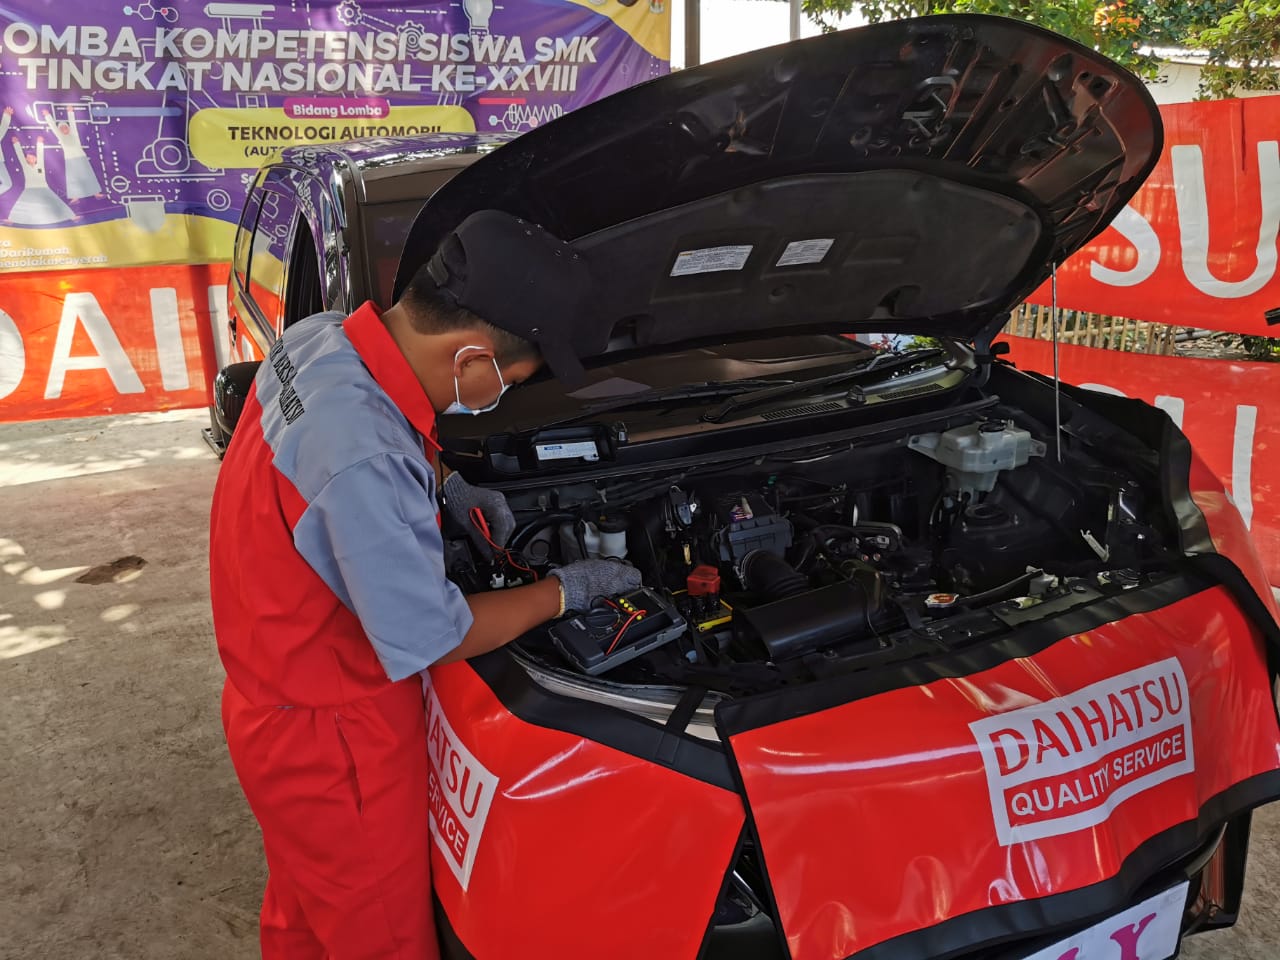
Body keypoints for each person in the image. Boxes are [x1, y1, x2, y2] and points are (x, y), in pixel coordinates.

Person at [208, 210, 641, 960]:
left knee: (307, 908)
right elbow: (431, 635)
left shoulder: (318, 338)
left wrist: (445, 485)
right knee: (381, 937)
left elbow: (371, 426)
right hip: (334, 740)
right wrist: (566, 592)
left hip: (271, 693)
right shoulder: (366, 459)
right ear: (470, 357)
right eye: (511, 379)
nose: (503, 392)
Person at [6, 133, 77, 225]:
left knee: (56, 202)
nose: (31, 159)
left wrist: (39, 143)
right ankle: (11, 220)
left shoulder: (40, 164)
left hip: (43, 188)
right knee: (20, 204)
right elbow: (20, 155)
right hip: (29, 189)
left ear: (36, 158)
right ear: (26, 159)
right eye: (28, 158)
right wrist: (16, 143)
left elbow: (40, 154)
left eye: (33, 157)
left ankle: (72, 216)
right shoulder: (25, 165)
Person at [42, 109, 104, 201]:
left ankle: (96, 193)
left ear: (69, 128)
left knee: (88, 175)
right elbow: (53, 127)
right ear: (59, 130)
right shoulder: (61, 137)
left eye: (65, 127)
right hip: (70, 160)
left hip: (81, 158)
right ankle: (75, 197)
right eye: (61, 128)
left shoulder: (74, 134)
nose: (64, 129)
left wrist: (70, 112)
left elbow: (73, 123)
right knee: (73, 179)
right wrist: (47, 116)